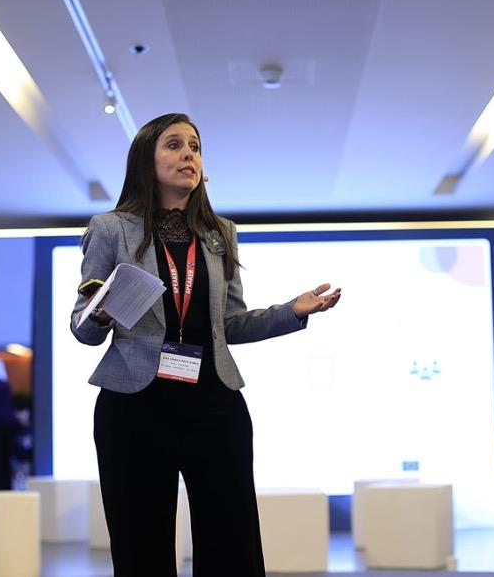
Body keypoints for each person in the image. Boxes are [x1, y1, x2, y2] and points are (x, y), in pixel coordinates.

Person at [70, 113, 341, 576]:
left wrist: (292, 311)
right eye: (174, 145)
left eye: (194, 147)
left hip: (214, 402)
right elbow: (82, 327)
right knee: (140, 543)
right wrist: (101, 312)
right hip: (135, 406)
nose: (188, 155)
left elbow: (230, 324)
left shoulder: (219, 233)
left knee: (231, 541)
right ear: (146, 160)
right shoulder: (111, 228)